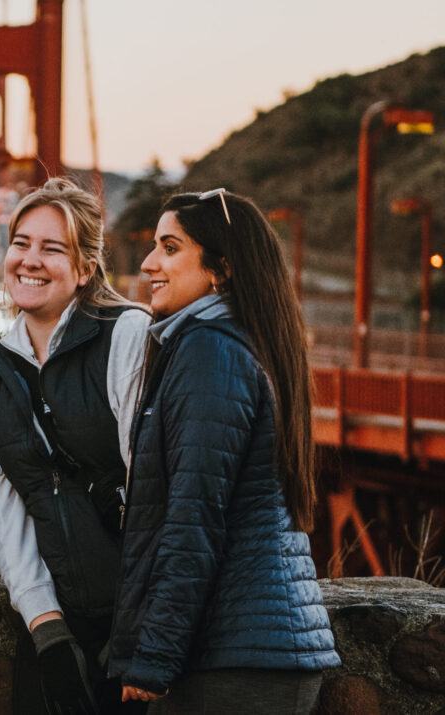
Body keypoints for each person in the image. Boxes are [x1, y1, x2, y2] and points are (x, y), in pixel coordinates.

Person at [108, 189, 340, 713]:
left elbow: (193, 519)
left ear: (221, 268)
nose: (148, 264)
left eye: (169, 248)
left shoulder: (209, 349)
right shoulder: (240, 342)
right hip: (256, 650)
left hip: (234, 662)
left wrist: (154, 657)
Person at [0, 177, 151, 714]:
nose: (30, 260)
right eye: (21, 243)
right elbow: (1, 511)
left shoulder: (126, 335)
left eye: (52, 248)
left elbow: (153, 484)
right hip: (57, 625)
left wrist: (140, 625)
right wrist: (47, 629)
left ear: (85, 269)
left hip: (143, 623)